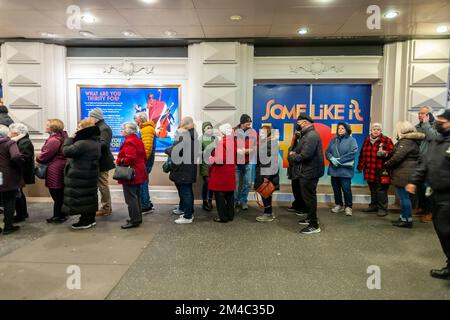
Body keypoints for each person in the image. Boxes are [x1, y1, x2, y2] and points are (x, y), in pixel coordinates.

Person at [406, 109, 450, 280]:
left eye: (442, 120)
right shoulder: (437, 141)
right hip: (437, 194)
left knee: (447, 230)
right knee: (442, 230)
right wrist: (413, 181)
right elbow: (425, 163)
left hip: (448, 195)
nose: (438, 122)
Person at [62, 119, 101, 230]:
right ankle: (90, 218)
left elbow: (66, 151)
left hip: (80, 174)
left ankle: (85, 221)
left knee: (82, 197)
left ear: (85, 129)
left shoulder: (82, 143)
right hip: (88, 173)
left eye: (79, 127)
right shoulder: (95, 141)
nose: (77, 129)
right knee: (88, 196)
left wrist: (69, 139)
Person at [384, 121, 424, 228]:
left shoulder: (405, 142)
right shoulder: (412, 141)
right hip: (409, 171)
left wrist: (386, 164)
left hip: (404, 173)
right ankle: (403, 217)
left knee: (404, 198)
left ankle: (407, 220)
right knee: (405, 197)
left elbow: (397, 157)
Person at [288, 115, 324, 234]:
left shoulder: (311, 136)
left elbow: (305, 155)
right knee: (307, 197)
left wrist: (292, 156)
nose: (297, 125)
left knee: (309, 198)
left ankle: (314, 225)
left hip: (309, 172)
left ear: (304, 123)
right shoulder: (307, 135)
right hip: (307, 171)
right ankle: (310, 218)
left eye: (299, 123)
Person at [165, 116, 198, 224]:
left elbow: (175, 151)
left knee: (185, 192)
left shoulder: (184, 135)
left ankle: (188, 216)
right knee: (187, 191)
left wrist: (167, 149)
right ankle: (187, 211)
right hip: (189, 168)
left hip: (183, 169)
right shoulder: (194, 135)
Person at [357, 123, 394, 217]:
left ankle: (382, 208)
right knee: (372, 189)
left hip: (381, 170)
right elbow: (362, 154)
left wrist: (385, 153)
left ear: (381, 131)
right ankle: (373, 206)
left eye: (378, 129)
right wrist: (360, 166)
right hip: (369, 169)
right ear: (371, 131)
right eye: (374, 129)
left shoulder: (386, 140)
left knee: (381, 190)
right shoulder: (366, 140)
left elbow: (393, 153)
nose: (376, 131)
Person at [116, 122, 147, 229]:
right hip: (138, 171)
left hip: (131, 173)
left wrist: (119, 160)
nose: (122, 130)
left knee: (131, 198)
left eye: (123, 129)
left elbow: (130, 158)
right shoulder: (137, 140)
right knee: (136, 196)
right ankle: (137, 218)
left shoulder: (129, 142)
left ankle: (134, 220)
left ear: (128, 130)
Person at [36, 119, 67, 224]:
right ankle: (62, 214)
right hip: (59, 167)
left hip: (55, 169)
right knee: (60, 193)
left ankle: (58, 216)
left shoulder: (54, 140)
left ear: (53, 127)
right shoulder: (60, 137)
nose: (45, 126)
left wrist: (38, 158)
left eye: (47, 125)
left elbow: (45, 155)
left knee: (56, 193)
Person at [326, 122, 358, 216]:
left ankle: (348, 206)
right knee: (336, 189)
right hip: (334, 170)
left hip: (345, 170)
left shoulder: (352, 140)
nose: (340, 130)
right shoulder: (333, 140)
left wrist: (339, 160)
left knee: (346, 189)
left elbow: (352, 153)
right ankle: (338, 205)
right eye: (339, 128)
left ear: (347, 129)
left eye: (342, 128)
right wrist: (331, 158)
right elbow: (327, 151)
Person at [88, 108, 115, 217]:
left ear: (95, 117)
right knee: (101, 185)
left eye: (90, 117)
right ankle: (104, 207)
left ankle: (106, 208)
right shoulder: (98, 127)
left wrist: (89, 144)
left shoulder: (104, 128)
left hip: (102, 161)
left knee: (103, 185)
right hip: (98, 160)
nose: (88, 119)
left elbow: (104, 144)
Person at [415, 106, 439, 223]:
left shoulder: (435, 126)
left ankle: (430, 212)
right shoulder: (417, 127)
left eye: (423, 113)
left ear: (429, 115)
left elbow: (433, 137)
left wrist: (426, 124)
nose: (420, 115)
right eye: (419, 113)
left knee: (427, 187)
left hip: (431, 163)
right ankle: (422, 208)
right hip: (419, 161)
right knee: (419, 186)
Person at [208, 124, 236, 223]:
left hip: (221, 173)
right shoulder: (233, 142)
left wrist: (211, 159)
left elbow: (220, 159)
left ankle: (223, 217)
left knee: (220, 196)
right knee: (230, 196)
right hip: (230, 172)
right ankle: (230, 215)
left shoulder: (222, 143)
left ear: (223, 132)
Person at [0, 125, 24, 234]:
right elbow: (16, 156)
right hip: (7, 175)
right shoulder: (10, 143)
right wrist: (19, 166)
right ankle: (8, 227)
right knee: (9, 200)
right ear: (7, 133)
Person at [9, 123, 35, 223]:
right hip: (19, 171)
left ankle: (21, 214)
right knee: (19, 193)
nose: (9, 134)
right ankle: (22, 213)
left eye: (10, 132)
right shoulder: (21, 141)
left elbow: (24, 157)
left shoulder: (24, 142)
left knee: (18, 193)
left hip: (20, 172)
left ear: (16, 133)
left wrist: (12, 162)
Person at [255, 124, 280, 222]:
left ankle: (268, 214)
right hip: (264, 173)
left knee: (266, 194)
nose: (260, 134)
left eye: (263, 132)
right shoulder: (266, 142)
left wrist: (267, 177)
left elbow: (272, 162)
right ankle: (268, 212)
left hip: (266, 174)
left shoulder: (270, 143)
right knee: (266, 194)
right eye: (260, 132)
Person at [134, 112, 156, 214]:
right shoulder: (145, 129)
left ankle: (145, 206)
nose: (135, 120)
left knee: (143, 183)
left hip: (144, 161)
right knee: (144, 182)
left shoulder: (147, 129)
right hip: (144, 161)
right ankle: (146, 202)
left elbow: (147, 149)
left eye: (136, 119)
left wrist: (141, 162)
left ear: (141, 119)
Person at [234, 114, 257, 211]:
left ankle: (243, 201)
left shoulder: (253, 132)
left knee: (247, 183)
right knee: (235, 183)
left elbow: (256, 145)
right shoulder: (233, 131)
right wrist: (236, 150)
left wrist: (250, 150)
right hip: (235, 162)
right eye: (247, 124)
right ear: (242, 123)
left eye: (250, 123)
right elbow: (228, 144)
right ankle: (234, 201)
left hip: (247, 162)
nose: (249, 125)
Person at [287, 128, 307, 216]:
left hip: (302, 171)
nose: (298, 134)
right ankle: (297, 205)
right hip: (293, 171)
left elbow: (302, 157)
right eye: (296, 132)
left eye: (299, 132)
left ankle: (304, 208)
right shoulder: (293, 144)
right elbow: (289, 157)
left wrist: (294, 155)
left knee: (302, 190)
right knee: (295, 189)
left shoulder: (306, 143)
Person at [199, 121, 216, 212]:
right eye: (207, 128)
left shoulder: (215, 138)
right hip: (205, 164)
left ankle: (210, 200)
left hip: (214, 164)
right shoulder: (200, 139)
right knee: (207, 182)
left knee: (213, 182)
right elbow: (197, 152)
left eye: (211, 127)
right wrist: (205, 153)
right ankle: (204, 201)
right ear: (203, 130)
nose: (210, 129)